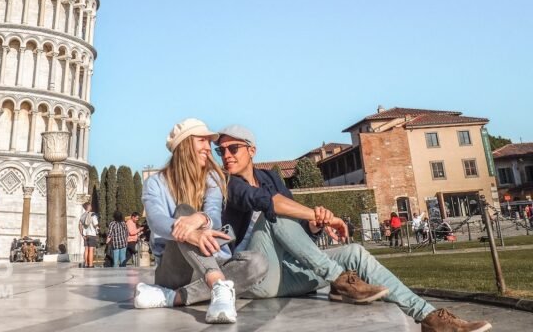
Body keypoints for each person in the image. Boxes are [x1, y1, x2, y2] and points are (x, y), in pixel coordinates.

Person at [216, 125, 491, 332]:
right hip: (255, 278)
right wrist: (318, 214)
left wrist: (314, 223)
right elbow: (268, 204)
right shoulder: (228, 184)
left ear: (252, 150)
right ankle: (338, 280)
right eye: (221, 151)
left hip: (287, 272)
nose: (226, 155)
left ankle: (429, 318)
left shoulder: (269, 178)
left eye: (233, 148)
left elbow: (296, 230)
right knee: (273, 213)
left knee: (355, 253)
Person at [134, 118, 268, 324]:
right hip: (174, 269)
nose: (208, 147)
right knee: (183, 212)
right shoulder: (155, 183)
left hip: (211, 257)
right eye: (202, 140)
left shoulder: (212, 178)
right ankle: (218, 284)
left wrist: (201, 218)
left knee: (257, 263)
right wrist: (190, 233)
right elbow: (156, 221)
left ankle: (174, 298)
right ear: (185, 144)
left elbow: (213, 216)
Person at [79, 202, 98, 268]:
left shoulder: (82, 216)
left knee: (86, 249)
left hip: (85, 235)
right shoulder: (92, 214)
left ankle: (86, 264)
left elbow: (80, 226)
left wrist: (82, 235)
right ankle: (90, 264)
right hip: (92, 234)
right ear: (89, 206)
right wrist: (97, 230)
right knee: (91, 250)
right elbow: (95, 224)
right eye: (90, 206)